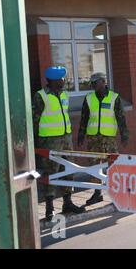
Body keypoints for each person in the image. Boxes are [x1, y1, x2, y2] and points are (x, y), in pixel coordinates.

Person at [33, 66, 85, 221]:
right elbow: (35, 120)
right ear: (54, 80)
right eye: (62, 78)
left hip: (65, 138)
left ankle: (67, 202)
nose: (64, 80)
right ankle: (49, 208)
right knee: (51, 172)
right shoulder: (40, 96)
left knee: (69, 169)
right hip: (49, 140)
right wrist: (36, 143)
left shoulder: (64, 94)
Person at [78, 72, 129, 205]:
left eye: (95, 82)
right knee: (94, 166)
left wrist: (125, 135)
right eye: (92, 82)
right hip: (93, 138)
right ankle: (97, 193)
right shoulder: (89, 98)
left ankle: (118, 192)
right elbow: (84, 118)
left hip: (109, 138)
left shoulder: (114, 97)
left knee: (114, 165)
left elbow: (121, 118)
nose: (93, 85)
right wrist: (81, 135)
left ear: (103, 82)